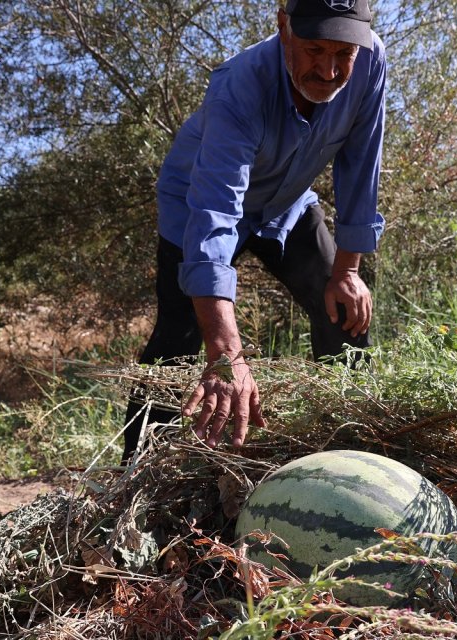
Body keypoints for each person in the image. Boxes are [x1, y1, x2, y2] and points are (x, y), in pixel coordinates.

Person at [123, 0, 386, 461]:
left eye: (342, 53)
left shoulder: (370, 61)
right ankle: (137, 478)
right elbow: (216, 212)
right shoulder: (240, 84)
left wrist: (348, 270)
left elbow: (361, 164)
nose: (328, 71)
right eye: (314, 49)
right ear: (284, 26)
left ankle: (346, 457)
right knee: (178, 341)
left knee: (343, 309)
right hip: (198, 205)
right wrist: (227, 354)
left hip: (287, 204)